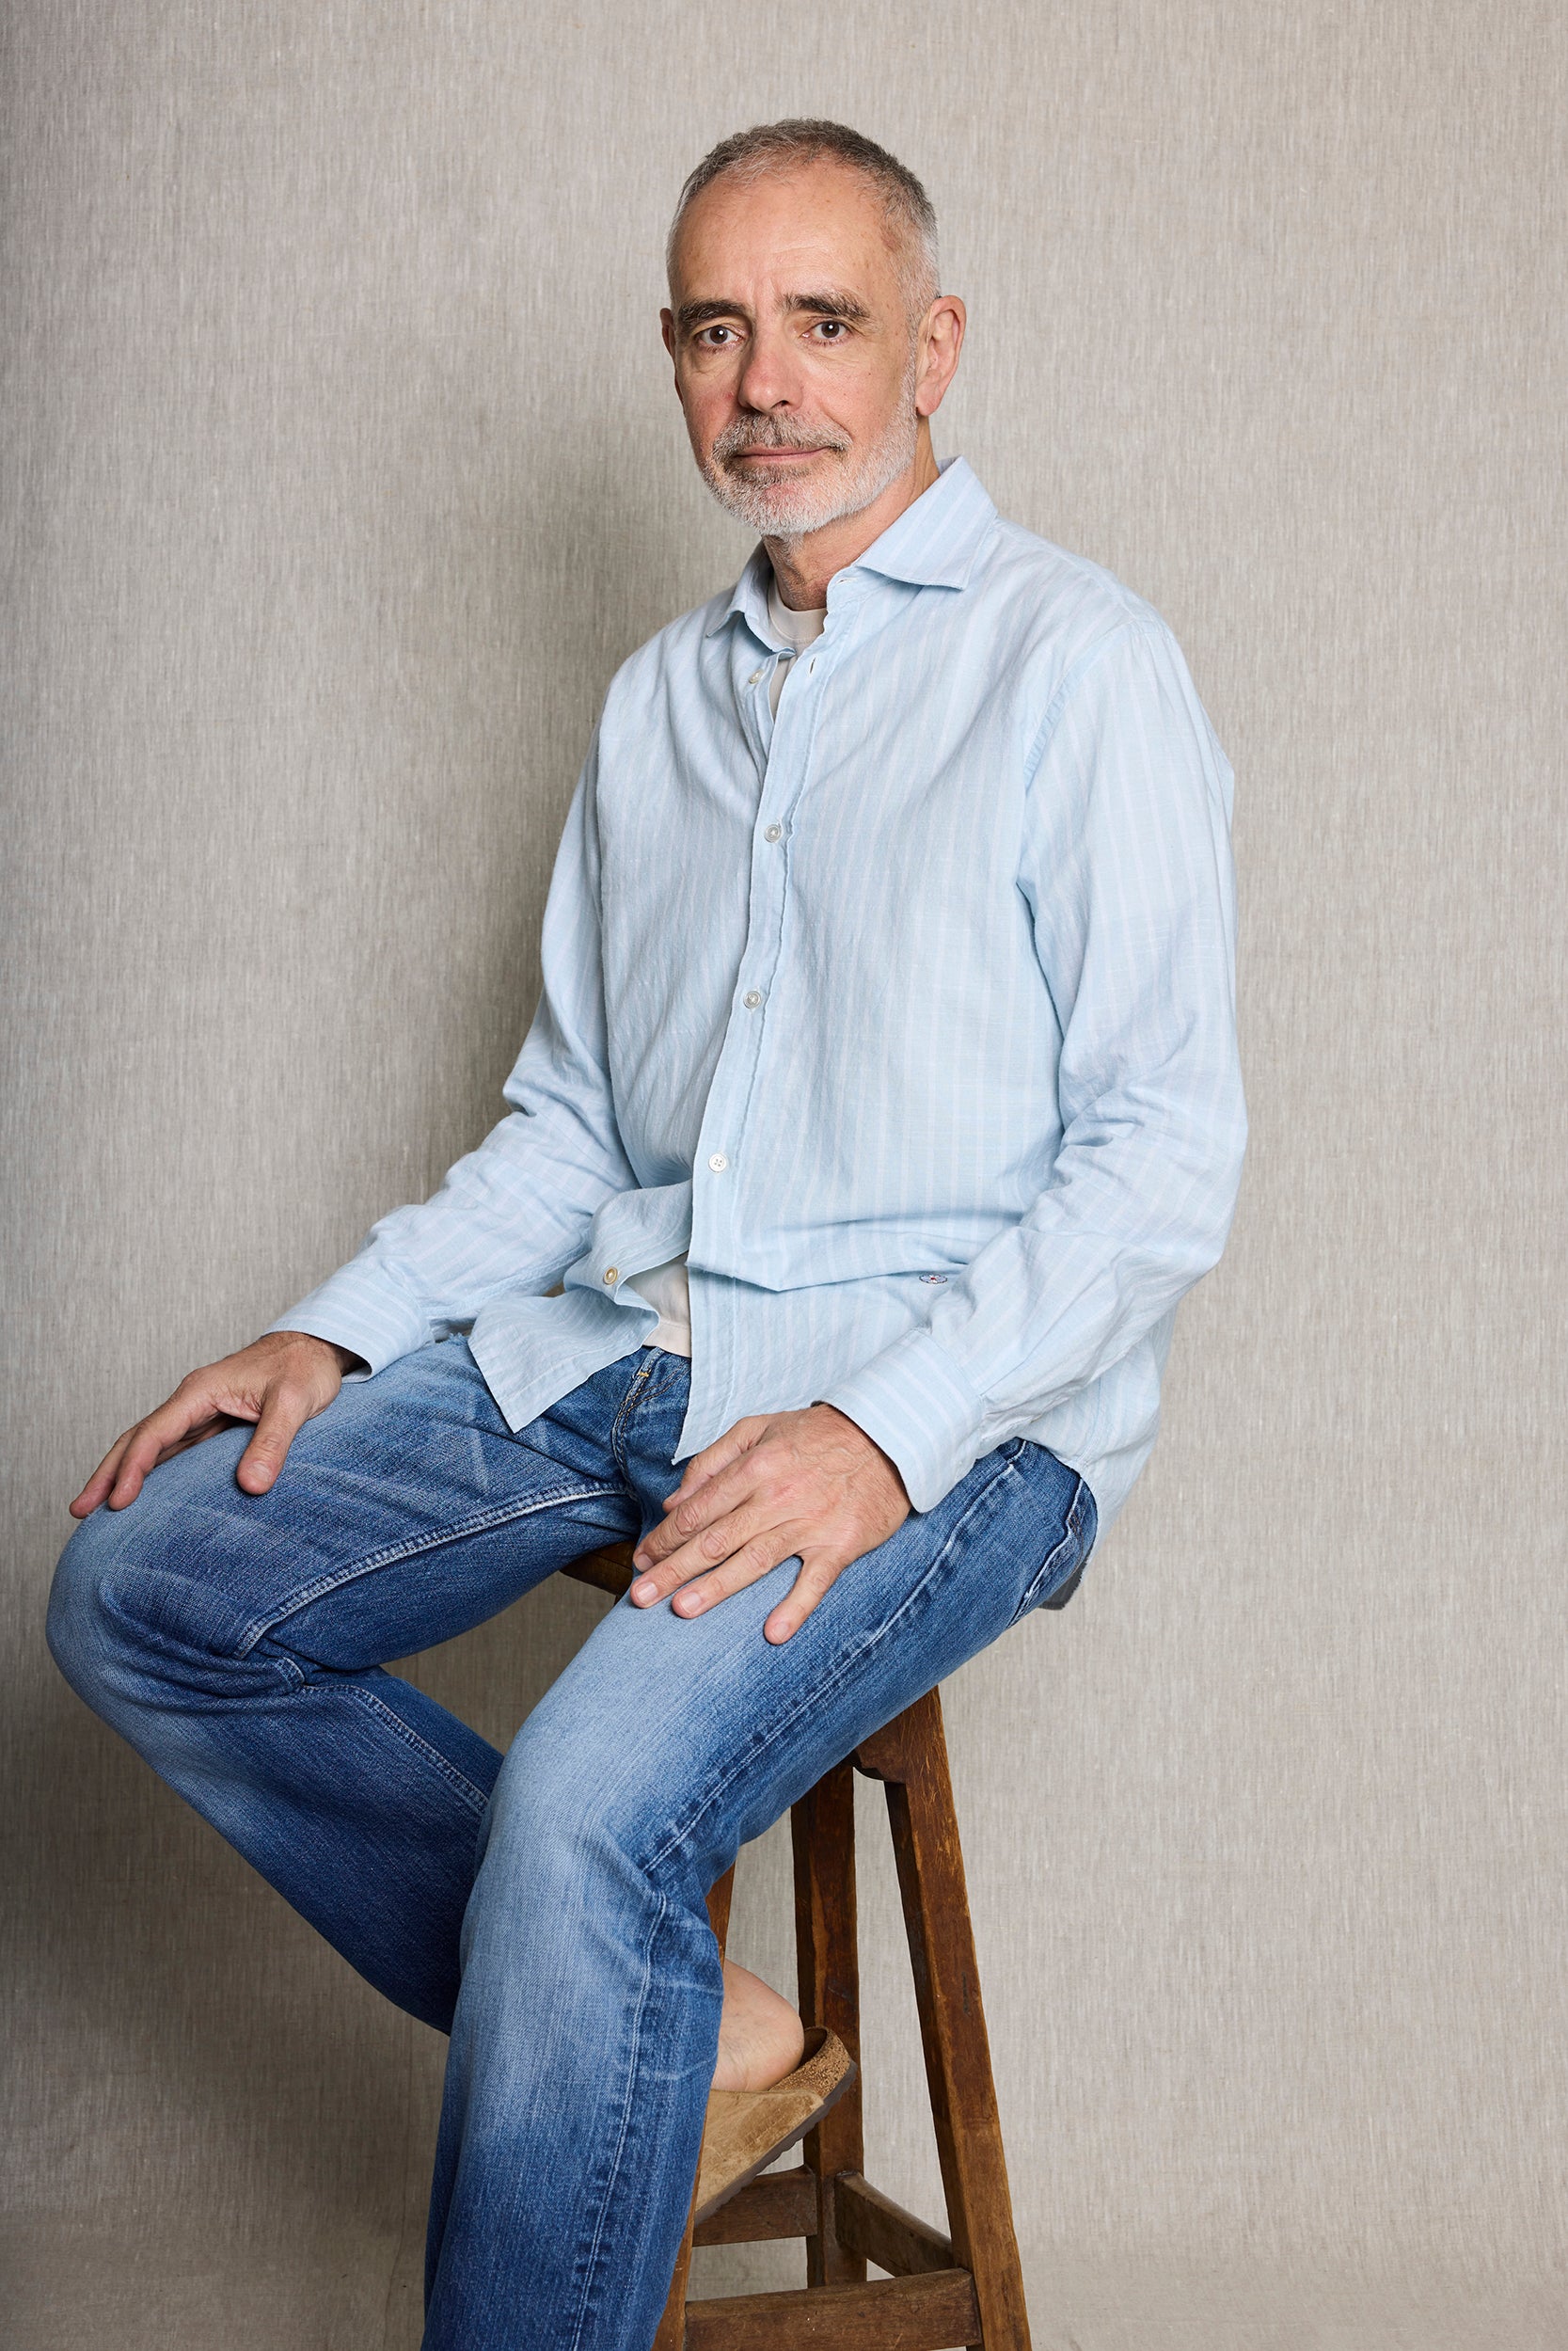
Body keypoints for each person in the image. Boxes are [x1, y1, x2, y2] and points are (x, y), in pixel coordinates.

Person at [48, 118, 1246, 2351]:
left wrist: (877, 1432)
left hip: (954, 1408)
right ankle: (690, 2018)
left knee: (588, 1808)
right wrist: (333, 1330)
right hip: (643, 1334)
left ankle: (613, 1986)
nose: (765, 382)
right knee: (145, 1581)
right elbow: (574, 1128)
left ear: (933, 348)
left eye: (823, 322)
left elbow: (1164, 1155)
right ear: (673, 359)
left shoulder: (1081, 664)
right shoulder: (654, 706)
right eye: (715, 330)